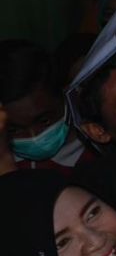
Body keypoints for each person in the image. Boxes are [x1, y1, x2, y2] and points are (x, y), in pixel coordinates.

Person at [0, 40, 90, 175]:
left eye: (44, 121)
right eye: (14, 130)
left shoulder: (102, 152)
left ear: (66, 96)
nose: (35, 138)